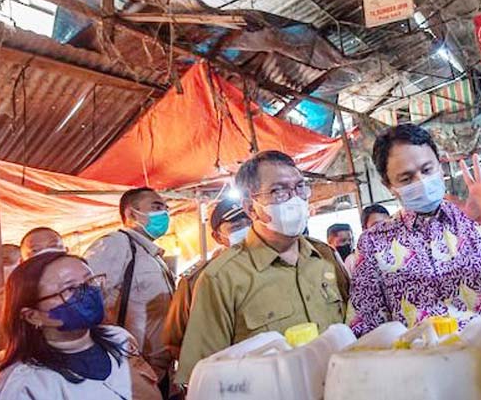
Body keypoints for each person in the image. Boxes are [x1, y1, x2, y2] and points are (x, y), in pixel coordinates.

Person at [348, 124, 481, 336]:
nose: (421, 181)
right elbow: (365, 327)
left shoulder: (476, 222)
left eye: (427, 170)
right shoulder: (373, 243)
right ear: (389, 186)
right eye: (406, 178)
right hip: (421, 365)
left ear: (439, 167)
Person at [176, 151, 349, 385]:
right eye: (278, 191)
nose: (294, 199)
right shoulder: (221, 278)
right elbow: (205, 379)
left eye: (299, 188)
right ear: (250, 207)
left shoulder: (324, 257)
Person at [0, 251, 160, 399]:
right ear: (32, 316)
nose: (89, 293)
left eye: (90, 281)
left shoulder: (120, 339)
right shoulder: (24, 387)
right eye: (70, 289)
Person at [84, 187, 175, 395]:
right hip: (132, 369)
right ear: (132, 213)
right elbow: (86, 298)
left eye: (166, 208)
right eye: (157, 206)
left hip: (160, 371)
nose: (165, 213)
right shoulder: (115, 244)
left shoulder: (152, 255)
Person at [162, 200, 251, 361]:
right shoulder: (195, 281)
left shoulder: (276, 265)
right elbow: (175, 341)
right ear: (218, 237)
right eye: (236, 227)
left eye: (251, 224)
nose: (247, 231)